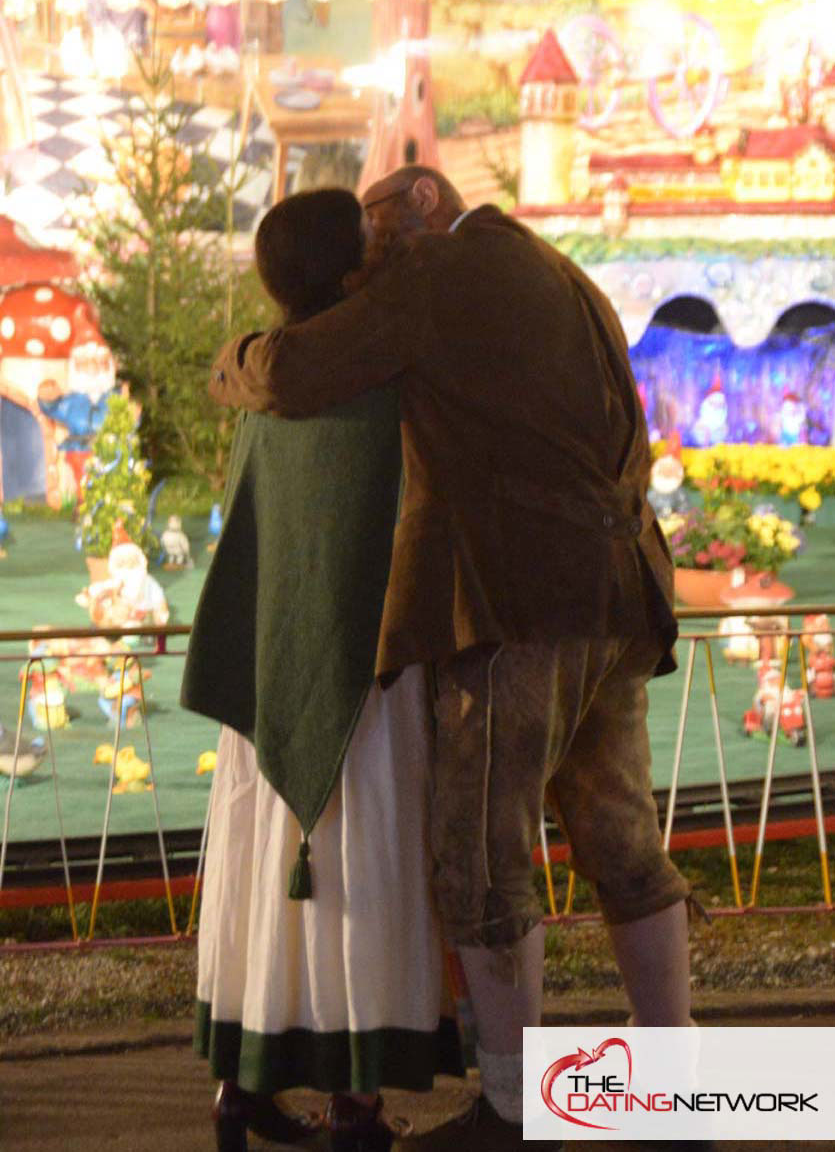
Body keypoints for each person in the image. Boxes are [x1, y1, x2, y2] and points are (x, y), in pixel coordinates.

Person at [209, 165, 693, 1151]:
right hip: (617, 593)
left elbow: (293, 371)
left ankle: (515, 1114)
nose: (365, 258)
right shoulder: (553, 265)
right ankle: (676, 1089)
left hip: (515, 600)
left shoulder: (433, 275)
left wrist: (234, 359)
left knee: (478, 860)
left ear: (420, 203)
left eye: (374, 226)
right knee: (622, 845)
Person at [183, 188, 463, 1152]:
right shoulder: (380, 382)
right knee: (358, 874)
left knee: (266, 878)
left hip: (267, 681)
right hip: (367, 685)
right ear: (349, 270)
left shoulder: (263, 383)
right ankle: (355, 1103)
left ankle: (241, 1087)